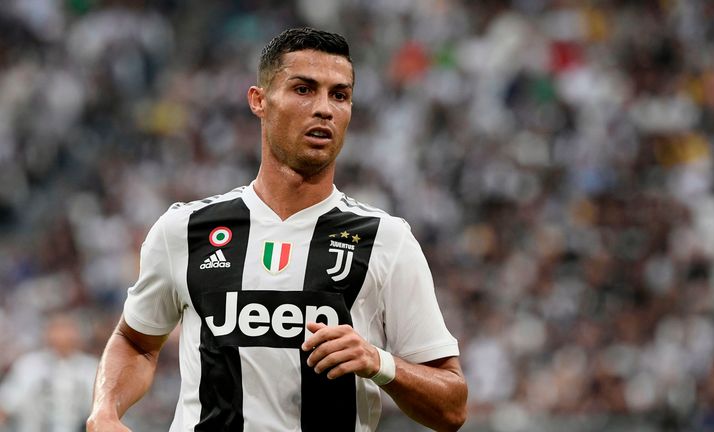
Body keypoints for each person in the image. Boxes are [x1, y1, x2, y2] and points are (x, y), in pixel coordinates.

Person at [86, 27, 467, 432]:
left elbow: (451, 407)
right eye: (304, 89)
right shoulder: (185, 229)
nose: (324, 108)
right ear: (259, 100)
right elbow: (136, 342)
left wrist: (380, 362)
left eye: (339, 95)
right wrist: (106, 409)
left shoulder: (385, 241)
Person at [0, 312, 99, 432]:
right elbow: (6, 405)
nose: (62, 336)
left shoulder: (92, 368)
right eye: (57, 329)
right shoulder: (29, 366)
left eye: (67, 329)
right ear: (46, 334)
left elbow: (105, 410)